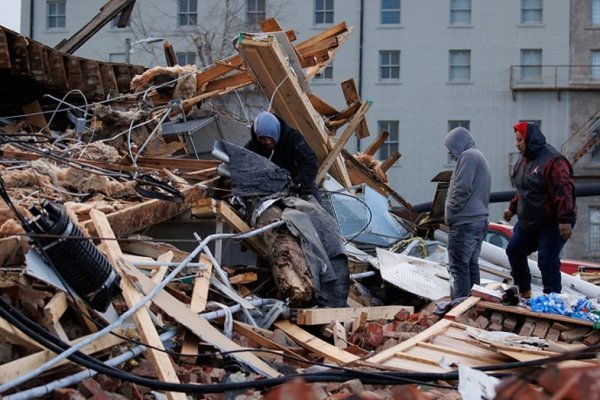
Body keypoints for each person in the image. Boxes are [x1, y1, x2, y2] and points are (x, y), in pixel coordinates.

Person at [503, 122, 576, 298]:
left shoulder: (553, 161)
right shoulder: (522, 163)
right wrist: (512, 209)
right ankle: (524, 291)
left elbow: (564, 190)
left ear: (529, 140)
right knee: (514, 250)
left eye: (520, 140)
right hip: (529, 221)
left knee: (547, 259)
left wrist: (564, 219)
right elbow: (524, 190)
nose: (517, 144)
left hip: (552, 221)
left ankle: (552, 299)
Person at [443, 127, 491, 300]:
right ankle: (473, 307)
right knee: (471, 266)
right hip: (478, 222)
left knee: (459, 268)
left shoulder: (468, 156)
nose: (449, 152)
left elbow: (462, 188)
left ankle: (459, 309)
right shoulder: (478, 156)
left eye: (450, 147)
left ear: (458, 144)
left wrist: (451, 212)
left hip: (465, 223)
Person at [245, 111, 321, 203]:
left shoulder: (294, 139)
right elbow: (243, 160)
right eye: (262, 138)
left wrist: (297, 184)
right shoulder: (255, 145)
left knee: (317, 212)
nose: (267, 142)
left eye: (269, 137)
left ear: (274, 131)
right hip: (271, 184)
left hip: (299, 183)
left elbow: (311, 164)